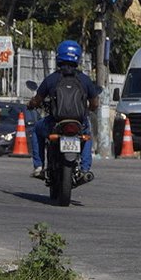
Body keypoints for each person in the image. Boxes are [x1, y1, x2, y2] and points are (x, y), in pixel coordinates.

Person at [27, 40, 101, 181]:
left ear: (58, 57)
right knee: (86, 136)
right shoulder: (84, 80)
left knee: (37, 129)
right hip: (79, 123)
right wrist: (87, 111)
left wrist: (31, 104)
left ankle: (39, 166)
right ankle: (85, 169)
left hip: (55, 123)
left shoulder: (51, 79)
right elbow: (95, 103)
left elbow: (37, 100)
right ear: (78, 58)